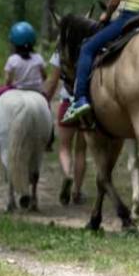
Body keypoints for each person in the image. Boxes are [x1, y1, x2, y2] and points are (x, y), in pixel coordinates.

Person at [0, 21, 46, 133]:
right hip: (37, 90)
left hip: (18, 88)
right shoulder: (38, 58)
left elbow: (8, 80)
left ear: (14, 43)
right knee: (46, 105)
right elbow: (44, 76)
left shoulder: (12, 59)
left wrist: (9, 84)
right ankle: (50, 133)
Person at [47, 50, 87, 205]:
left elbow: (53, 81)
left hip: (67, 102)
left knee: (64, 147)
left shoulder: (61, 51)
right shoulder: (90, 47)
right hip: (85, 103)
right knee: (81, 150)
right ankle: (77, 191)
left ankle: (67, 174)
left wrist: (46, 99)